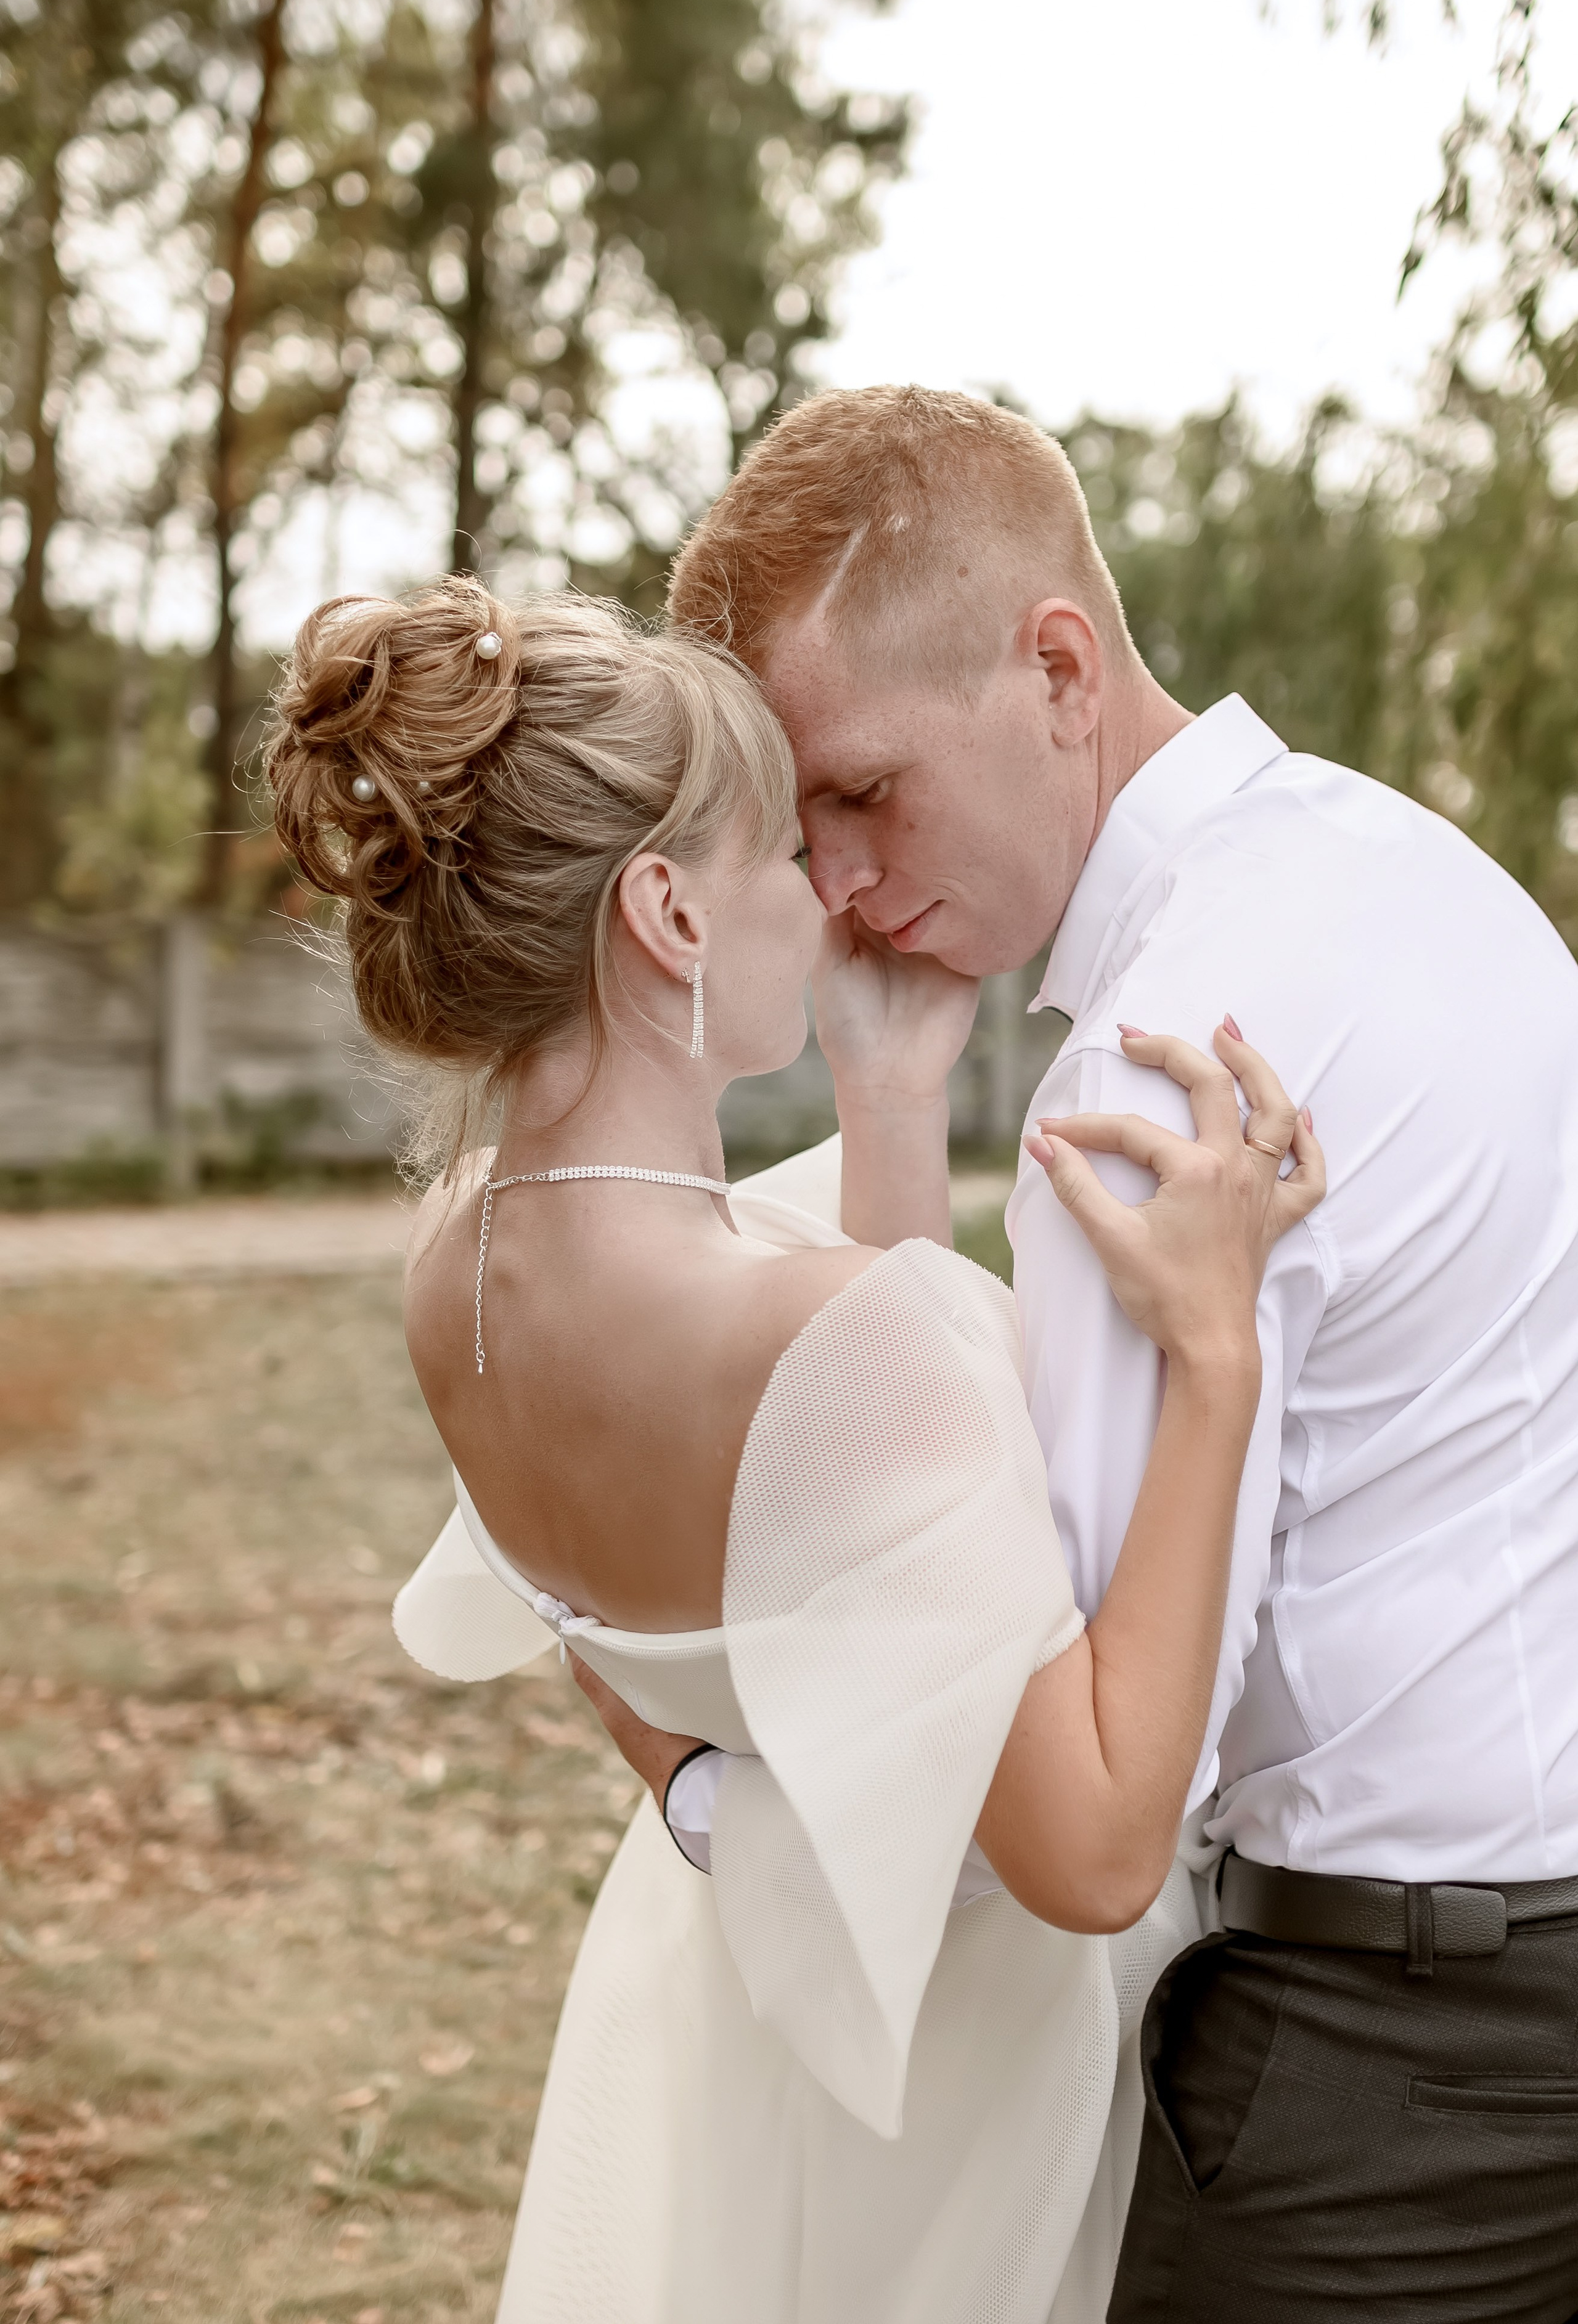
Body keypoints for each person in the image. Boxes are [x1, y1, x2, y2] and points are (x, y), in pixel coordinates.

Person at [264, 577, 1321, 2324]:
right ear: (669, 910)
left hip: (736, 2016)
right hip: (952, 2080)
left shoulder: (461, 1260)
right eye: (779, 852)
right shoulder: (828, 1338)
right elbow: (1098, 1855)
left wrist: (888, 1099)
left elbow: (696, 1598)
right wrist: (1216, 1351)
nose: (827, 894)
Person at [643, 383, 1578, 2323]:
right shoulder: (1419, 876)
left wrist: (687, 1782)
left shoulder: (1146, 1098)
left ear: (1057, 668)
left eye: (861, 791)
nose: (827, 884)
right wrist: (897, 1101)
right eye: (793, 823)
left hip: (1399, 2085)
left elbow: (1041, 1799)